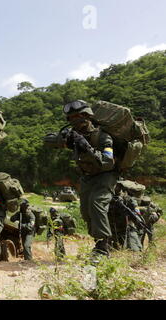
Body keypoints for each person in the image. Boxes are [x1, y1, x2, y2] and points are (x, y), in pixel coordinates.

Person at [62, 100, 119, 263]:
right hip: (87, 176)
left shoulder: (102, 137)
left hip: (106, 175)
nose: (74, 120)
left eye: (77, 116)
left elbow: (108, 162)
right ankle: (99, 243)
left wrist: (88, 149)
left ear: (87, 116)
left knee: (97, 203)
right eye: (70, 117)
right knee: (86, 211)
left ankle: (103, 248)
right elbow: (52, 141)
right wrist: (66, 141)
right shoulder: (74, 136)